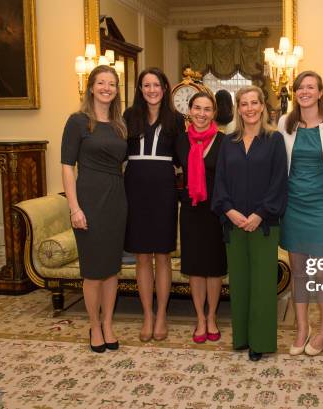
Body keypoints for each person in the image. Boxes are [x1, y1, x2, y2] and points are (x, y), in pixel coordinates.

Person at [212, 85, 287, 361]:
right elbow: (219, 181)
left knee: (263, 285)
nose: (250, 108)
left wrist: (259, 214)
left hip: (264, 224)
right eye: (244, 104)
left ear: (262, 106)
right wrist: (229, 211)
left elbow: (280, 183)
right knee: (240, 283)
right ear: (238, 108)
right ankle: (242, 337)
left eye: (254, 102)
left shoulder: (274, 140)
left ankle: (260, 341)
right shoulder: (228, 142)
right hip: (233, 224)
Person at [277, 71, 323, 357]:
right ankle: (302, 328)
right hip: (293, 204)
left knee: (322, 272)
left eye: (310, 87)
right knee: (299, 271)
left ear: (320, 92)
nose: (305, 91)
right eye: (300, 88)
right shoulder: (285, 122)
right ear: (295, 93)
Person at [60, 65, 127, 353]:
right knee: (93, 271)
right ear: (91, 87)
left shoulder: (120, 124)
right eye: (101, 82)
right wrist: (74, 208)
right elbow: (66, 167)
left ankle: (109, 323)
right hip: (88, 199)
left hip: (116, 200)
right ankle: (94, 325)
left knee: (111, 270)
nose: (106, 88)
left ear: (116, 90)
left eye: (112, 84)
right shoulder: (77, 122)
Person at [123, 67, 185, 342]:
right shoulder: (128, 116)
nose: (151, 90)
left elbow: (185, 157)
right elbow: (117, 151)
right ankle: (147, 314)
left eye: (156, 85)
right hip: (134, 188)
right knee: (142, 257)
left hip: (163, 190)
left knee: (162, 256)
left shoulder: (176, 119)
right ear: (140, 89)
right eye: (146, 85)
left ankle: (161, 315)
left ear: (164, 88)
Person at [176, 91, 227, 343]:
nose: (201, 114)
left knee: (214, 268)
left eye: (207, 109)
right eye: (197, 108)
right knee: (195, 268)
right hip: (191, 211)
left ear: (213, 113)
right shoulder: (180, 141)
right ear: (190, 110)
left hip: (216, 212)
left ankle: (212, 317)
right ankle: (199, 318)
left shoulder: (224, 141)